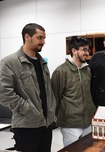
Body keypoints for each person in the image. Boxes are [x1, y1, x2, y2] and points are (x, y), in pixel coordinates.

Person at [0, 23, 56, 152]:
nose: (44, 42)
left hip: (46, 125)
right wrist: (26, 109)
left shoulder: (42, 62)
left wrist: (52, 114)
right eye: (40, 38)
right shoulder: (9, 62)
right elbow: (3, 92)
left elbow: (47, 91)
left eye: (44, 38)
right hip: (26, 126)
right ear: (27, 37)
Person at [51, 36, 96, 147]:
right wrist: (56, 118)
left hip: (88, 122)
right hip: (70, 124)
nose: (87, 52)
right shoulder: (61, 71)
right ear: (74, 51)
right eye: (84, 49)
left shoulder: (87, 69)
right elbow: (54, 98)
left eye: (88, 49)